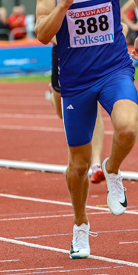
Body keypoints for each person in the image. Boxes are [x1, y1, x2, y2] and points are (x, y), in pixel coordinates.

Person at [34, 0, 138, 259]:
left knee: (128, 127)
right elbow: (42, 33)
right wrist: (64, 3)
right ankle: (80, 224)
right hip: (76, 81)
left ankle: (113, 168)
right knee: (79, 165)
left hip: (114, 68)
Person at [47, 37, 106, 184]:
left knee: (94, 105)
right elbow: (44, 33)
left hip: (91, 53)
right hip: (64, 54)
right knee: (63, 113)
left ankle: (96, 164)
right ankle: (53, 93)